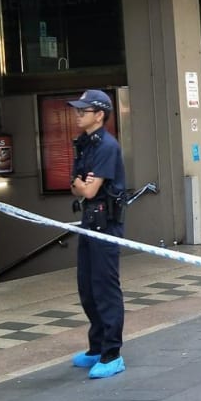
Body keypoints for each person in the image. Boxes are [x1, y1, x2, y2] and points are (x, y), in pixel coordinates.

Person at [67, 89, 127, 379]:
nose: (78, 114)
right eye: (78, 110)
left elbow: (88, 189)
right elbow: (74, 184)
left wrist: (82, 185)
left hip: (106, 223)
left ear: (100, 114)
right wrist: (81, 184)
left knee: (105, 288)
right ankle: (96, 347)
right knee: (87, 287)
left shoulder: (106, 146)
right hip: (89, 220)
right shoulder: (85, 143)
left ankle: (112, 353)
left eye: (84, 110)